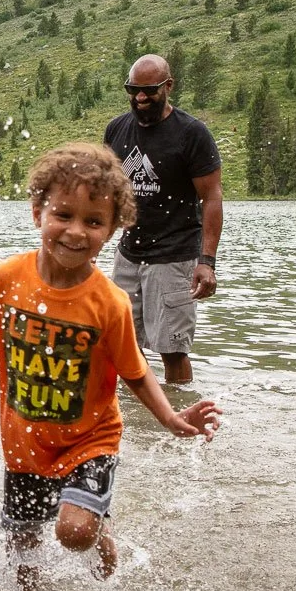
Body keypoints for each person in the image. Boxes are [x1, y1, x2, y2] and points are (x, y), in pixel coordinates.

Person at [0, 143, 221, 591]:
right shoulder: (8, 278)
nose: (76, 231)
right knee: (21, 553)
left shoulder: (109, 303)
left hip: (91, 440)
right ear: (37, 212)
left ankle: (99, 526)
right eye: (63, 215)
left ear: (111, 232)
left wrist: (170, 418)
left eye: (93, 221)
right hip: (24, 445)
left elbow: (136, 371)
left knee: (73, 533)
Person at [103, 54, 223, 385]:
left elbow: (211, 198)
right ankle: (137, 420)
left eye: (150, 90)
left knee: (173, 350)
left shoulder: (192, 133)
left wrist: (207, 262)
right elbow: (108, 191)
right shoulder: (116, 129)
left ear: (168, 86)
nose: (140, 98)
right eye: (133, 89)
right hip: (128, 256)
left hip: (174, 256)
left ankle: (181, 417)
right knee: (124, 345)